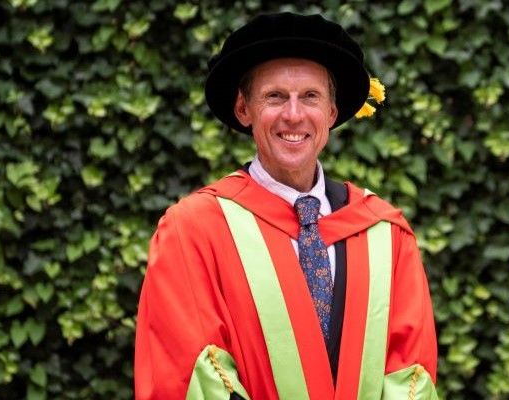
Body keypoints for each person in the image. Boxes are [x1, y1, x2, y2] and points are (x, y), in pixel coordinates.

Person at [134, 12, 438, 399]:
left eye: (310, 96)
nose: (294, 115)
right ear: (244, 109)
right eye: (275, 96)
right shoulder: (195, 230)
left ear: (331, 112)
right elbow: (190, 372)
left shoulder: (384, 234)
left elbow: (410, 372)